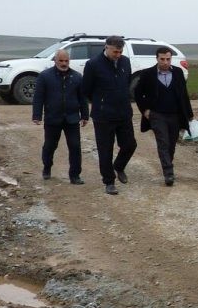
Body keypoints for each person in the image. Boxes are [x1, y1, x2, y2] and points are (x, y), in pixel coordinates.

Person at [82, 35, 137, 195]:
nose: (118, 55)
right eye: (115, 52)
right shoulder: (93, 64)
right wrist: (101, 101)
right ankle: (109, 181)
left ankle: (118, 166)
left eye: (120, 52)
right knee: (105, 150)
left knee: (130, 145)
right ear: (106, 47)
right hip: (103, 115)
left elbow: (127, 82)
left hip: (123, 112)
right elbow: (86, 89)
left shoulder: (125, 62)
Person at [133, 47, 194, 186]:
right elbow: (138, 93)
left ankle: (168, 164)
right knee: (163, 143)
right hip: (157, 115)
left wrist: (189, 114)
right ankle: (168, 173)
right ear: (157, 59)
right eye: (162, 59)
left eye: (168, 59)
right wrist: (145, 110)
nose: (165, 62)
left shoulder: (178, 72)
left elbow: (183, 94)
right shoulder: (148, 74)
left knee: (171, 144)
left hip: (175, 115)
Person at [32, 49, 88, 185]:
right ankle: (47, 167)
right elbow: (38, 97)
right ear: (55, 61)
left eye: (66, 61)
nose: (64, 63)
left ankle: (75, 175)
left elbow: (82, 98)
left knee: (75, 146)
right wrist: (37, 115)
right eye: (61, 61)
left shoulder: (77, 77)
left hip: (72, 118)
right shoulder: (45, 76)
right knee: (50, 146)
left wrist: (85, 115)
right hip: (53, 118)